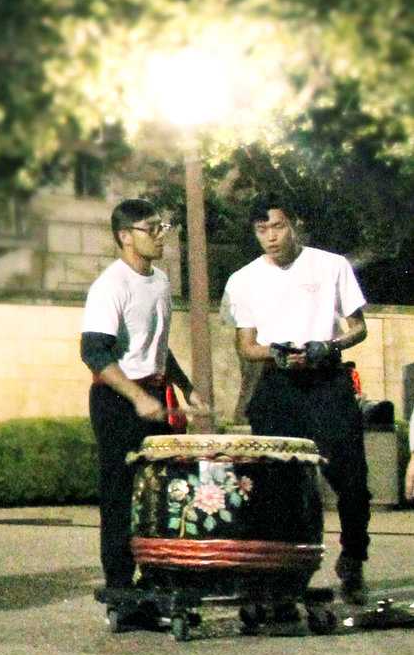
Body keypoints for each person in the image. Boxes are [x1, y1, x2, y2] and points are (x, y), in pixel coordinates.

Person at [224, 196, 371, 601]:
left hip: (326, 381)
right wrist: (276, 352)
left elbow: (358, 328)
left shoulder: (331, 266)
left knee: (351, 477)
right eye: (261, 230)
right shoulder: (243, 279)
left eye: (277, 227)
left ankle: (354, 554)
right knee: (278, 482)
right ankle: (286, 571)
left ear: (295, 225)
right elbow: (245, 344)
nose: (270, 237)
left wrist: (330, 346)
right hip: (279, 385)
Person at [82, 199, 190, 615]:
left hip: (155, 395)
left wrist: (186, 386)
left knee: (162, 493)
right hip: (118, 401)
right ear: (125, 236)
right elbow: (94, 352)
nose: (161, 235)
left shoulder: (161, 281)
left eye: (163, 227)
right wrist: (137, 397)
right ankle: (122, 592)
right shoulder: (111, 285)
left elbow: (156, 346)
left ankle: (158, 581)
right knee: (121, 495)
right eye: (152, 228)